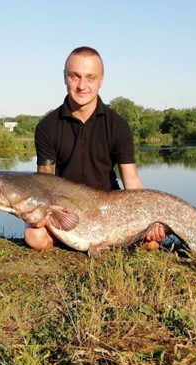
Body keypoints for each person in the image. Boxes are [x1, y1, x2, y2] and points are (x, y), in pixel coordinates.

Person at [26, 46, 166, 251]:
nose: (82, 85)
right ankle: (91, 241)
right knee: (35, 237)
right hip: (66, 211)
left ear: (101, 80)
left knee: (152, 242)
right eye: (75, 76)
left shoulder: (118, 126)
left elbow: (132, 181)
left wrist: (150, 219)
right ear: (65, 77)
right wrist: (40, 215)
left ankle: (103, 240)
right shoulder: (47, 127)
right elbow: (44, 184)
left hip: (110, 209)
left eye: (90, 77)